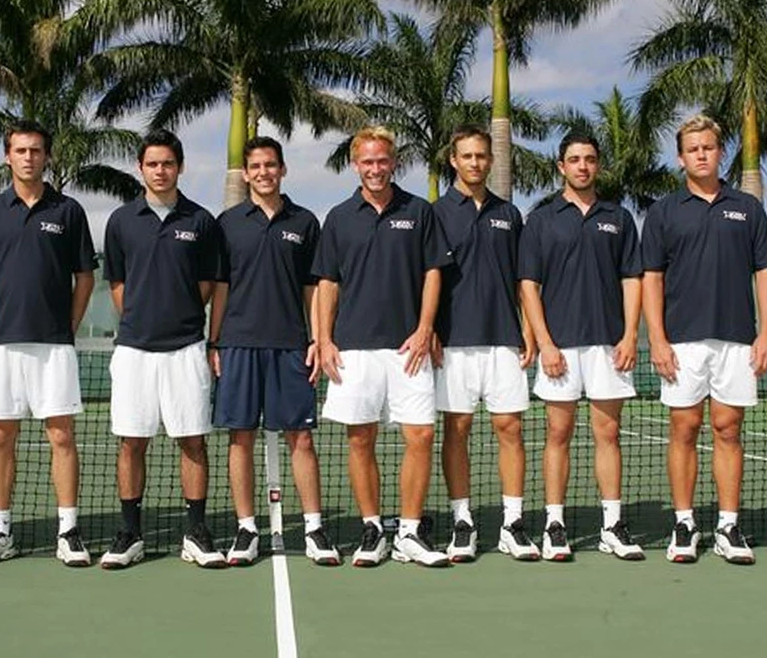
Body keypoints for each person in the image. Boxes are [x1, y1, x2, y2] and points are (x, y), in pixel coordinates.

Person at [641, 114, 767, 565]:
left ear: (720, 152)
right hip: (681, 342)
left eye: (708, 147)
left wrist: (766, 332)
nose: (701, 154)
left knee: (728, 429)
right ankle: (684, 524)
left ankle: (728, 525)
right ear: (681, 157)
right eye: (692, 148)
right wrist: (657, 339)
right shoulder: (663, 211)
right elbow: (651, 279)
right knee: (683, 429)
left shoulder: (747, 207)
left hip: (737, 341)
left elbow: (766, 270)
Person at [313, 126, 452, 568]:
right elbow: (327, 283)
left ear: (394, 163)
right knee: (360, 439)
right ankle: (372, 529)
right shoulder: (338, 217)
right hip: (353, 349)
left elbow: (434, 272)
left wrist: (425, 327)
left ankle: (410, 531)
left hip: (407, 347)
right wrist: (324, 339)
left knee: (422, 435)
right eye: (367, 161)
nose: (375, 168)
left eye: (382, 160)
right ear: (357, 164)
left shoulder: (420, 211)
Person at [0, 120, 96, 568]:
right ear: (7, 157)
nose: (28, 157)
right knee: (1, 435)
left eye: (36, 150)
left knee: (61, 435)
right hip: (2, 345)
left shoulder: (69, 211)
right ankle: (0, 530)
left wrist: (69, 325)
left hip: (54, 344)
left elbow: (85, 276)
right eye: (20, 150)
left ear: (46, 157)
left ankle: (69, 530)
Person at [208, 136, 339, 567]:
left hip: (290, 347)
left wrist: (318, 338)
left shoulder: (304, 222)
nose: (263, 172)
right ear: (245, 173)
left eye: (271, 165)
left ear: (282, 170)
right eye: (256, 166)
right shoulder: (227, 223)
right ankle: (246, 530)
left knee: (301, 438)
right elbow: (221, 289)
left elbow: (313, 289)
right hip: (239, 344)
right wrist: (215, 340)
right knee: (239, 437)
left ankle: (315, 528)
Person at [100, 130, 225, 570]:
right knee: (132, 441)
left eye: (167, 163)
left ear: (180, 167)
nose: (160, 170)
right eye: (152, 164)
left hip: (186, 348)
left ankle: (195, 531)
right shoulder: (120, 221)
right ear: (141, 168)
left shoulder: (201, 221)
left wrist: (183, 314)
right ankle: (130, 533)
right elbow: (117, 284)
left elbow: (209, 283)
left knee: (192, 440)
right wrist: (138, 316)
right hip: (134, 350)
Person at [520, 131, 645, 562]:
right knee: (558, 433)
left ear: (598, 165)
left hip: (610, 346)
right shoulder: (541, 219)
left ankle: (612, 525)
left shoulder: (619, 218)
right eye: (574, 159)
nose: (582, 166)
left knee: (608, 433)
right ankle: (555, 524)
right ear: (561, 166)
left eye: (589, 159)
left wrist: (630, 335)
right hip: (560, 347)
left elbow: (633, 279)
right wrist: (545, 342)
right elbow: (529, 286)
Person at [432, 125, 538, 562]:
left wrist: (529, 331)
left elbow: (522, 280)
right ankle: (463, 520)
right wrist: (431, 330)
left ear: (490, 161)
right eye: (467, 156)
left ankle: (512, 522)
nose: (475, 163)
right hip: (453, 343)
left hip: (503, 342)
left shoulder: (509, 215)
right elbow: (428, 279)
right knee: (456, 431)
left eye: (482, 156)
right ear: (454, 161)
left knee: (510, 429)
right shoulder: (435, 213)